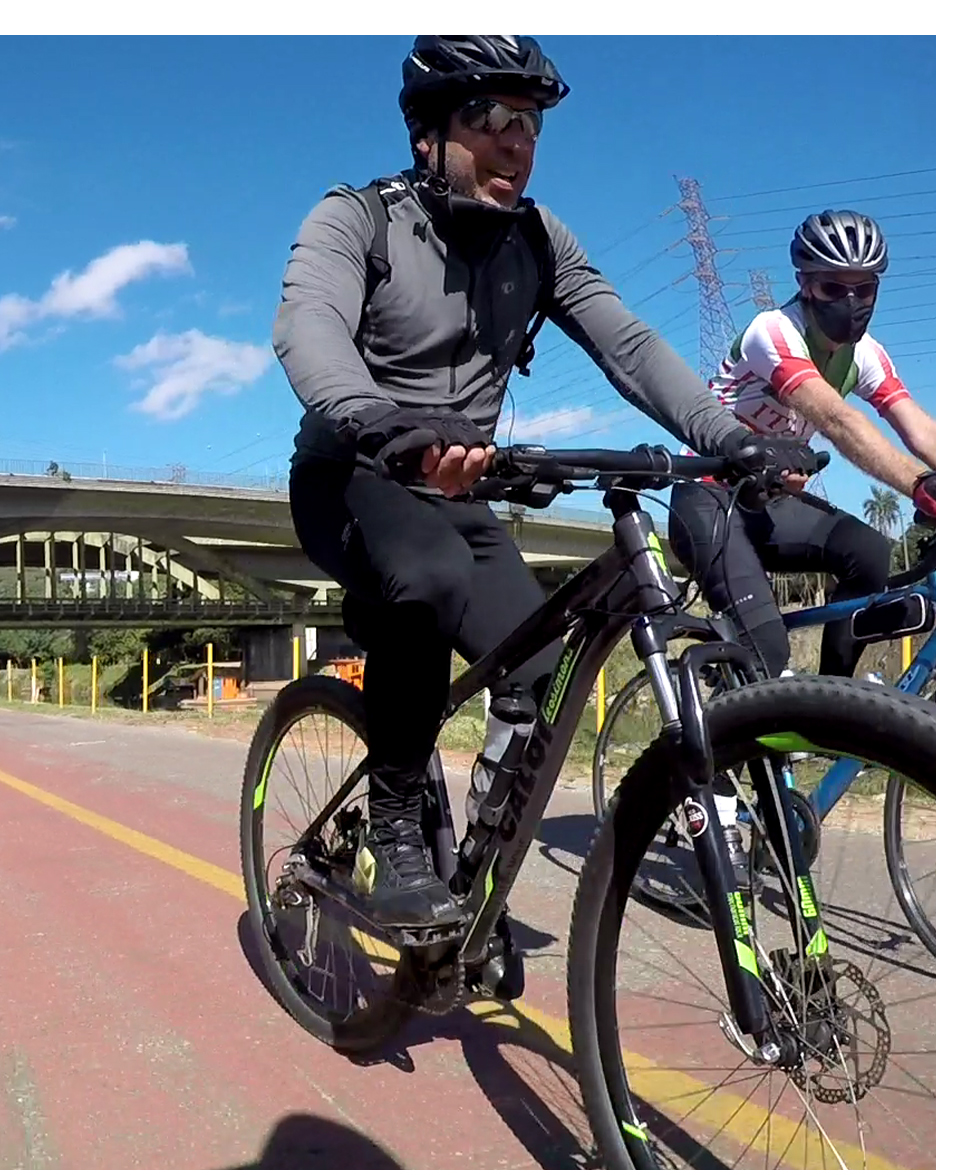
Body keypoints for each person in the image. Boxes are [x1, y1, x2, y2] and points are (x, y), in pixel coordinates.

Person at [272, 35, 814, 947]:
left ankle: (469, 875)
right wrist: (375, 418)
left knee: (544, 673)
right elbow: (307, 324)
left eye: (528, 123)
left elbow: (627, 344)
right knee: (428, 576)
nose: (514, 141)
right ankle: (395, 833)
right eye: (487, 116)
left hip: (458, 490)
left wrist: (728, 436)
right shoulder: (357, 218)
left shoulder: (536, 238)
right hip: (351, 475)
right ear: (427, 132)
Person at [666, 209, 937, 681]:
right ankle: (734, 713)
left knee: (869, 553)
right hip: (707, 498)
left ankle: (833, 698)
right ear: (805, 284)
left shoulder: (866, 354)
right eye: (832, 287)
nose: (850, 301)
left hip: (769, 503)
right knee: (767, 649)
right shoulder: (773, 330)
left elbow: (918, 428)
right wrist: (920, 486)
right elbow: (835, 418)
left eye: (864, 289)